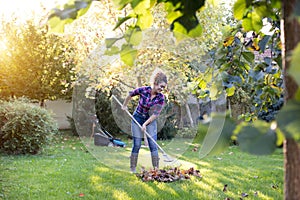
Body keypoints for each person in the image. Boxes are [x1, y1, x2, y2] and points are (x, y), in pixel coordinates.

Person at [121, 69, 167, 173]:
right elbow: (131, 94)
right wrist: (124, 105)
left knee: (153, 145)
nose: (162, 89)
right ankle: (132, 168)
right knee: (137, 144)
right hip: (137, 117)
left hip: (150, 120)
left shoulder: (161, 98)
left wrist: (145, 124)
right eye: (161, 86)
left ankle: (156, 169)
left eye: (164, 87)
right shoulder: (144, 90)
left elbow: (155, 114)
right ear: (155, 83)